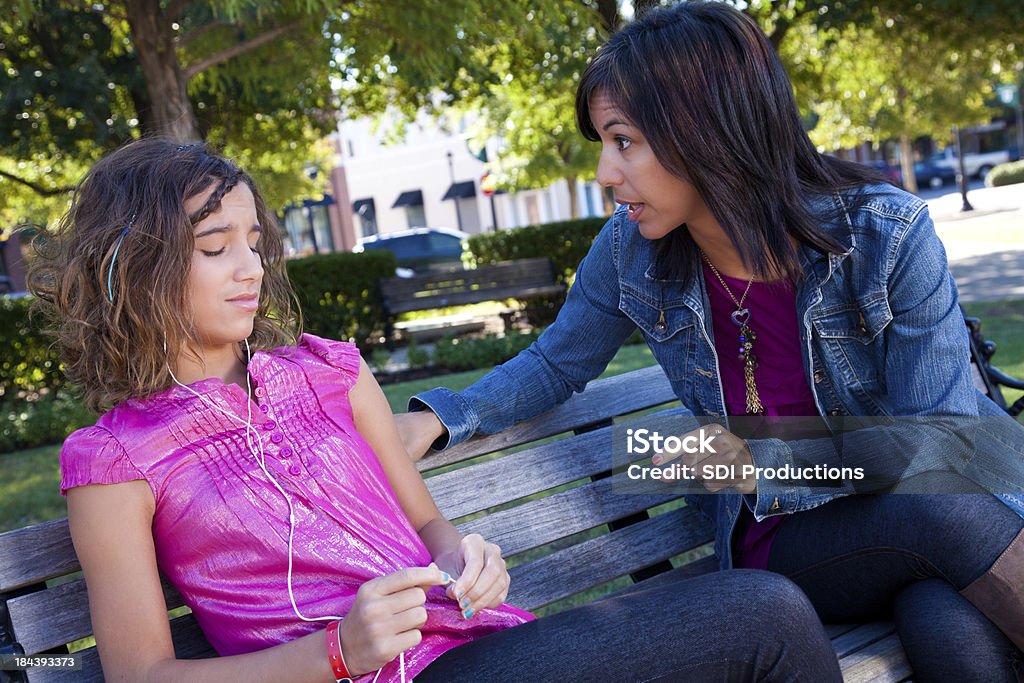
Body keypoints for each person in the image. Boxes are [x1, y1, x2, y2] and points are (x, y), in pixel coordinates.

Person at [28, 137, 845, 683]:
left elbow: (430, 530)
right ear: (133, 266)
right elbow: (141, 676)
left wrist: (468, 559)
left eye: (253, 242)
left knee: (768, 620)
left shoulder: (328, 371)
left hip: (484, 647)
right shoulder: (112, 458)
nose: (248, 267)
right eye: (215, 249)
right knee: (763, 610)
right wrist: (337, 652)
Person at [396, 3, 1024, 680]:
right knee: (942, 517)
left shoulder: (885, 233)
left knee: (947, 614)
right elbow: (556, 360)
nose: (606, 172)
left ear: (705, 131)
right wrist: (442, 415)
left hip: (919, 521)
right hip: (790, 540)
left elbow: (947, 443)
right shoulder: (628, 252)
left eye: (624, 141)